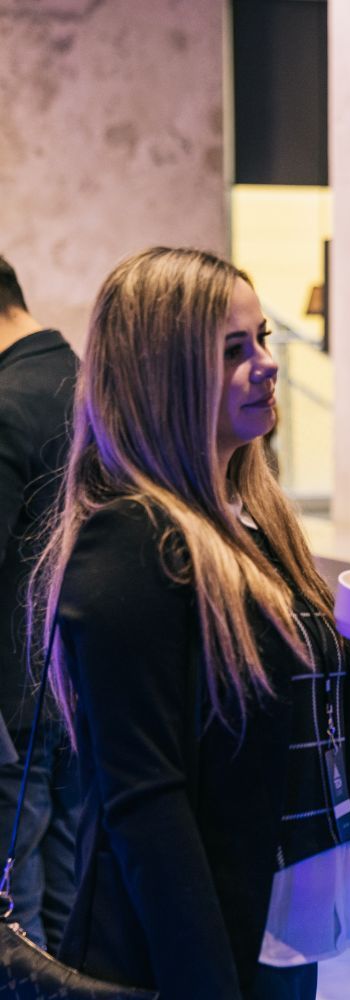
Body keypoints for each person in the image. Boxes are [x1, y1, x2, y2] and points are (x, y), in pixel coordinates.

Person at [31, 247, 350, 1000]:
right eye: (232, 350)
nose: (267, 365)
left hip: (287, 908)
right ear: (162, 375)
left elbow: (275, 730)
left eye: (264, 340)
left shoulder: (255, 520)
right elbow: (147, 802)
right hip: (200, 937)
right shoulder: (130, 542)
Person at [0, 253, 80, 951]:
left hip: (13, 710)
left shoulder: (4, 403)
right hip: (81, 694)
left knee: (17, 925)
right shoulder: (88, 385)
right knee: (69, 909)